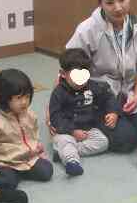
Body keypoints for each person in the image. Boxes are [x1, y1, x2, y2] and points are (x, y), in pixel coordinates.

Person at [66, 0, 137, 153]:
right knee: (126, 140)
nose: (118, 8)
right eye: (109, 3)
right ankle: (89, 121)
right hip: (99, 98)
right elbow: (68, 68)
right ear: (100, 3)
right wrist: (55, 111)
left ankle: (124, 120)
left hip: (130, 95)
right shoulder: (87, 29)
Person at [0, 68, 53, 190]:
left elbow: (34, 136)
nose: (24, 102)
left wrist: (38, 151)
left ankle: (19, 173)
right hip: (5, 162)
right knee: (8, 183)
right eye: (19, 98)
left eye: (27, 97)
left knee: (47, 171)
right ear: (4, 98)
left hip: (28, 159)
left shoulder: (30, 115)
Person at [48, 48, 119, 177]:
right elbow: (55, 117)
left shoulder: (92, 86)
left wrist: (113, 112)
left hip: (88, 130)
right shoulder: (58, 93)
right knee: (63, 140)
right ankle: (72, 161)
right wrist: (72, 131)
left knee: (103, 141)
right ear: (63, 74)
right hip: (66, 131)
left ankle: (65, 152)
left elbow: (108, 97)